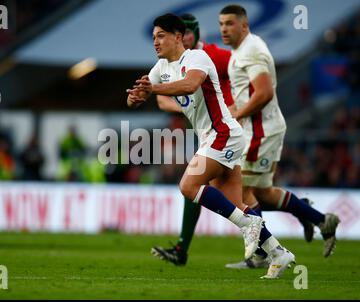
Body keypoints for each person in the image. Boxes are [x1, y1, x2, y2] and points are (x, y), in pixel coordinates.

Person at [127, 13, 295, 279]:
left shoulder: (197, 58)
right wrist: (135, 97)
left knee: (188, 186)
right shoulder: (160, 67)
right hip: (214, 137)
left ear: (178, 37)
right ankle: (278, 252)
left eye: (160, 36)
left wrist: (154, 90)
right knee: (234, 203)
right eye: (153, 38)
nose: (155, 42)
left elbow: (190, 84)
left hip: (223, 133)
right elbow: (146, 92)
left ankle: (250, 223)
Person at [218, 4, 340, 268]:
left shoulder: (251, 50)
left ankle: (263, 253)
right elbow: (249, 94)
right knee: (263, 193)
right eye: (221, 24)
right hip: (260, 128)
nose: (224, 29)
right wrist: (233, 111)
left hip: (260, 131)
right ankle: (319, 218)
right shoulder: (242, 50)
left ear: (244, 24)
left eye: (229, 23)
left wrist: (239, 115)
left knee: (241, 191)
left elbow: (264, 93)